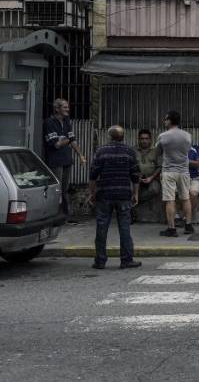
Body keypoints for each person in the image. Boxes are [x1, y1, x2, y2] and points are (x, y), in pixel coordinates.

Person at [87, 126, 141, 270]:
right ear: (123, 137)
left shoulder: (101, 151)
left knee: (101, 227)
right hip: (123, 194)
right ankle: (126, 259)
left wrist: (91, 193)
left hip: (104, 194)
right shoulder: (129, 151)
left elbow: (93, 174)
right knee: (124, 228)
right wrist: (135, 193)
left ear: (109, 136)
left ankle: (100, 260)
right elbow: (135, 175)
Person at [43, 98, 87, 223]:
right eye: (65, 107)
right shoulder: (49, 123)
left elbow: (72, 140)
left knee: (64, 188)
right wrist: (67, 139)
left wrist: (81, 155)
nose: (68, 109)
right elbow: (56, 144)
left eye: (67, 107)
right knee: (57, 189)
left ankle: (65, 216)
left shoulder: (66, 121)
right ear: (57, 109)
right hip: (55, 161)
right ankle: (55, 216)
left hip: (66, 160)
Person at [155, 110, 194, 237]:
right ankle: (188, 225)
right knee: (186, 198)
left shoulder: (163, 136)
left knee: (170, 200)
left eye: (166, 119)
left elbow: (158, 152)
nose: (164, 121)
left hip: (169, 171)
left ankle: (171, 229)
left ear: (170, 120)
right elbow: (187, 150)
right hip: (183, 171)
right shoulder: (187, 136)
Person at [134, 129, 161, 222]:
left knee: (155, 189)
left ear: (150, 140)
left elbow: (159, 167)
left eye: (146, 139)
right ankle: (130, 212)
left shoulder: (156, 151)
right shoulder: (133, 151)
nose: (144, 141)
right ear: (138, 139)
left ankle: (134, 203)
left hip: (152, 178)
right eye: (141, 139)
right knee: (129, 189)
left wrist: (151, 177)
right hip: (135, 178)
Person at [188, 143, 199, 222]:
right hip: (180, 177)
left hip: (195, 178)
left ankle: (186, 218)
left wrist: (184, 161)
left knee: (193, 193)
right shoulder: (177, 150)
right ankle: (176, 217)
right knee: (172, 193)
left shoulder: (197, 149)